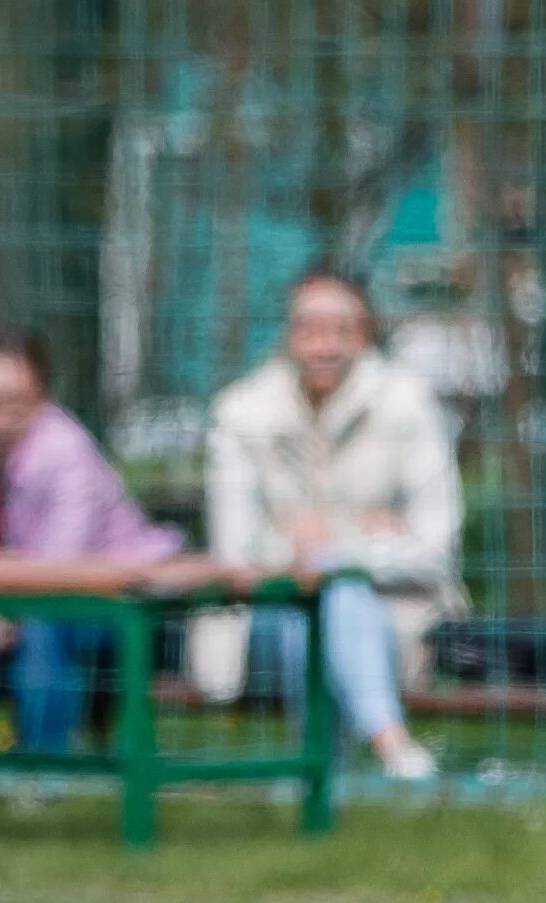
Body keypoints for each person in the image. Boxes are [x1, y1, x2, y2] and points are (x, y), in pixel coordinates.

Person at [190, 267, 461, 781]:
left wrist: (333, 543)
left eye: (343, 330)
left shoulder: (411, 404)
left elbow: (436, 546)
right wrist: (364, 535)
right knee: (313, 598)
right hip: (266, 610)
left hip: (394, 608)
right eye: (309, 329)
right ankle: (392, 745)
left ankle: (318, 778)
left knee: (329, 586)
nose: (325, 345)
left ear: (366, 335)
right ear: (288, 335)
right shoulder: (240, 412)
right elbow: (234, 550)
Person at [0, 329, 182, 751]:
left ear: (40, 403)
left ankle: (45, 769)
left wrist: (0, 615)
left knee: (45, 624)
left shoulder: (68, 450)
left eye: (9, 403)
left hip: (111, 605)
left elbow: (58, 570)